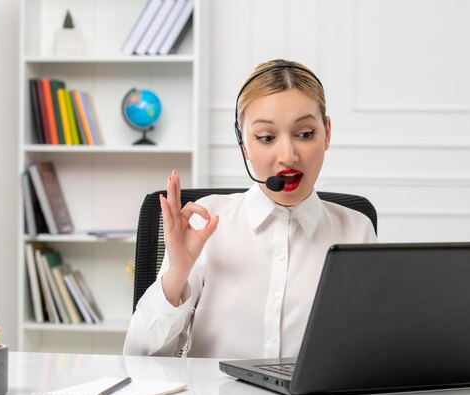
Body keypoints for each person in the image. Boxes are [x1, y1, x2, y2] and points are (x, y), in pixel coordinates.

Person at [123, 59, 377, 359]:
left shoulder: (356, 230)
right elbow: (139, 358)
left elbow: (367, 353)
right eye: (266, 138)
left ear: (327, 134)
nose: (288, 156)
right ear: (244, 144)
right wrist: (177, 274)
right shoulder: (206, 223)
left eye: (305, 134)